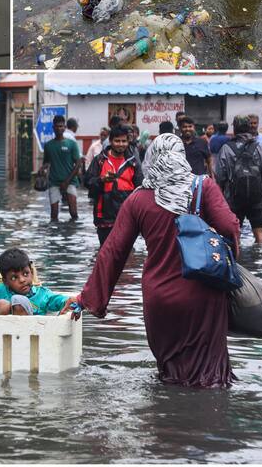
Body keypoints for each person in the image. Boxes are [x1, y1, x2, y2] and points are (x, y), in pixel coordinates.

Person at [69, 133, 241, 388]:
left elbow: (113, 252)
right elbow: (229, 226)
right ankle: (204, 418)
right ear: (182, 157)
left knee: (170, 373)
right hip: (203, 295)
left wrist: (87, 299)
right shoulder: (204, 187)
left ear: (151, 158)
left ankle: (167, 422)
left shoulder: (138, 199)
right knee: (210, 377)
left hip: (160, 299)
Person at [0, 248, 72, 317]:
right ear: (5, 281)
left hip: (32, 339)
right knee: (2, 304)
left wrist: (69, 301)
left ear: (32, 273)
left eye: (26, 274)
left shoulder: (42, 294)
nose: (22, 280)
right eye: (14, 278)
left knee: (19, 302)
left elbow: (58, 300)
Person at [215, 116, 262, 245]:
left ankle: (237, 259)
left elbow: (220, 175)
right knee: (259, 231)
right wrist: (258, 186)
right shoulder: (259, 147)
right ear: (249, 127)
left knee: (235, 231)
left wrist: (222, 196)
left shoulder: (226, 148)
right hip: (256, 196)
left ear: (234, 128)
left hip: (234, 197)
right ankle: (261, 257)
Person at [85, 124, 143, 246]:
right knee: (106, 253)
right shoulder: (99, 160)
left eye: (123, 141)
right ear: (111, 141)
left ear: (128, 142)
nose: (120, 144)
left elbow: (140, 189)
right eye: (117, 141)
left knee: (124, 255)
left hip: (127, 217)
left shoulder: (133, 163)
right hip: (104, 217)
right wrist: (101, 180)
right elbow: (87, 182)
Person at [42, 115, 80, 222]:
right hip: (54, 182)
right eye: (57, 126)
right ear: (53, 128)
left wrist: (67, 182)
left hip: (70, 181)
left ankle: (72, 232)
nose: (59, 129)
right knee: (54, 215)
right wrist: (42, 170)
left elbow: (78, 164)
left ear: (64, 128)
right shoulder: (48, 146)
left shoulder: (71, 144)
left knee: (73, 213)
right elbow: (46, 162)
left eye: (61, 126)